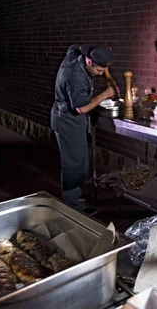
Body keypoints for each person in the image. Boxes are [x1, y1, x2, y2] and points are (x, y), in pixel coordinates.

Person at [51, 44, 118, 211]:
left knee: (81, 161)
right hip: (68, 120)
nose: (100, 75)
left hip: (76, 121)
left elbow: (74, 46)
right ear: (89, 62)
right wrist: (105, 95)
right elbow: (81, 108)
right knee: (73, 163)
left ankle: (76, 195)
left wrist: (106, 72)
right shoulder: (75, 76)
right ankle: (72, 205)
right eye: (99, 71)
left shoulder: (77, 54)